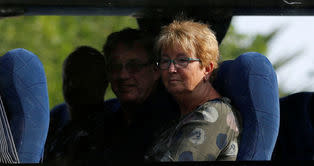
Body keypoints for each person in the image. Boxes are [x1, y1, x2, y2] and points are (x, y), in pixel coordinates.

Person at [146, 19, 241, 162]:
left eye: (182, 60)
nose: (171, 69)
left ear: (207, 69)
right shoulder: (180, 116)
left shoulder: (214, 114)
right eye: (165, 61)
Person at [102, 28, 179, 163]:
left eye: (134, 66)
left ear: (156, 70)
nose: (122, 75)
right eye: (115, 67)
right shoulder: (108, 120)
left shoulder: (170, 120)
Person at [43, 46, 108, 164]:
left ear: (103, 83)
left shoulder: (111, 124)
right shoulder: (56, 116)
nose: (73, 84)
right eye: (68, 77)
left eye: (83, 78)